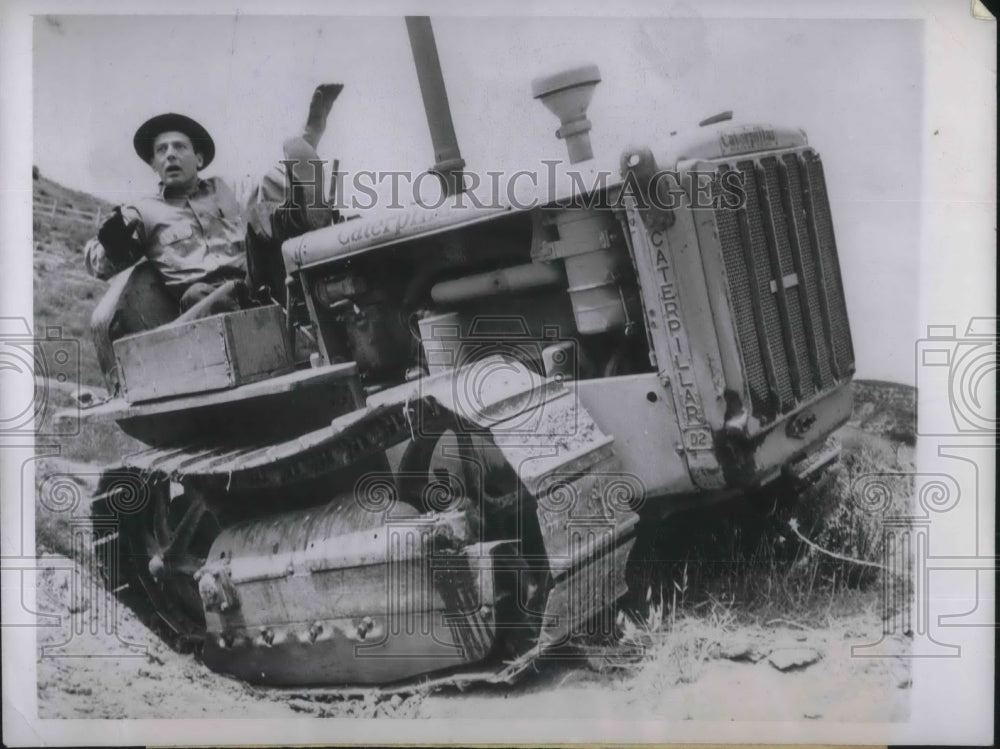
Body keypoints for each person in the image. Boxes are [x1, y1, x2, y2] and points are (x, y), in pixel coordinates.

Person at [84, 84, 342, 315]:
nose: (170, 155)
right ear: (153, 165)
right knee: (200, 294)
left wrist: (312, 130)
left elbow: (278, 180)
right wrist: (111, 245)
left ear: (198, 159)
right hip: (202, 304)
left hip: (256, 284)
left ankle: (310, 217)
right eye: (161, 150)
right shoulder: (142, 212)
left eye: (180, 147)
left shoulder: (228, 189)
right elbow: (98, 265)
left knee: (265, 215)